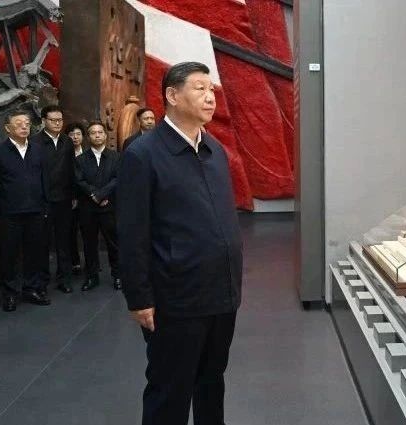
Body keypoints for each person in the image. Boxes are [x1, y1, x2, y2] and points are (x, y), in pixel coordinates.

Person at [118, 62, 243, 425]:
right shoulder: (143, 154)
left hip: (221, 293)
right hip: (175, 298)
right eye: (200, 88)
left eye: (211, 89)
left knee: (212, 382)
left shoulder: (214, 150)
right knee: (170, 388)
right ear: (172, 95)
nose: (210, 97)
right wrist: (139, 297)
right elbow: (132, 231)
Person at [0, 109, 51, 312]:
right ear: (8, 128)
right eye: (19, 124)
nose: (24, 127)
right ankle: (10, 293)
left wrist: (46, 205)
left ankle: (31, 289)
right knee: (9, 254)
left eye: (27, 123)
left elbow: (45, 179)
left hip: (36, 210)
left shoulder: (38, 150)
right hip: (9, 213)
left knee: (35, 252)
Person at [30, 105, 77, 293]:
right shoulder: (34, 142)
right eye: (53, 120)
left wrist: (73, 195)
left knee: (63, 241)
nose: (58, 123)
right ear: (44, 121)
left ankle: (64, 279)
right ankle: (41, 282)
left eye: (60, 120)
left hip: (64, 199)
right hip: (43, 200)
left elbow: (71, 170)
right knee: (42, 243)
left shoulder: (67, 141)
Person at [75, 121, 120, 291]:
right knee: (89, 244)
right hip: (88, 208)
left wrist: (101, 195)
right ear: (88, 137)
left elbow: (118, 178)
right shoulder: (80, 159)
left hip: (109, 207)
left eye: (100, 132)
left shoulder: (116, 157)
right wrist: (94, 194)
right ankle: (92, 277)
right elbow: (79, 180)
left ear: (105, 135)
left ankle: (118, 275)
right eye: (93, 133)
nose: (97, 135)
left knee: (114, 243)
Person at [65, 122, 87, 276]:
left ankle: (92, 263)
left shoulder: (88, 152)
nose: (75, 137)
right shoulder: (64, 154)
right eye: (71, 134)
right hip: (70, 200)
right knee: (71, 232)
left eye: (78, 134)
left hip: (87, 198)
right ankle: (75, 262)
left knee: (88, 232)